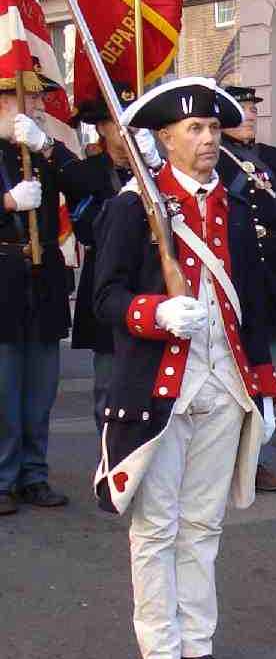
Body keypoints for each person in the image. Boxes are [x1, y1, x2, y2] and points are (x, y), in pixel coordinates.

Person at [92, 77, 276, 659]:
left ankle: (198, 644)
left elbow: (253, 304)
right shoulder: (133, 205)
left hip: (224, 383)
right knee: (156, 527)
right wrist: (156, 313)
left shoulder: (236, 204)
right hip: (160, 387)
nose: (207, 139)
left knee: (204, 524)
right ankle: (160, 653)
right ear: (165, 138)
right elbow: (105, 298)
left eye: (212, 128)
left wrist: (264, 385)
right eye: (193, 129)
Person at [0, 61, 79, 516]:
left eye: (38, 98)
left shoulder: (43, 149)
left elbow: (83, 183)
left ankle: (34, 472)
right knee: (5, 383)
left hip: (43, 274)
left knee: (41, 385)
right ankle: (4, 476)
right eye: (25, 97)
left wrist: (47, 145)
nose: (37, 106)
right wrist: (7, 201)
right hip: (4, 274)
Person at [64, 82, 163, 433]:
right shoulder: (83, 174)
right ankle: (111, 465)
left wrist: (154, 169)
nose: (129, 132)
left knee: (157, 387)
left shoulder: (160, 170)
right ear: (104, 128)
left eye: (136, 124)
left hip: (156, 285)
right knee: (109, 389)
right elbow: (91, 228)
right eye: (120, 124)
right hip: (109, 283)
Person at [218, 84, 276, 492]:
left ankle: (255, 453)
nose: (249, 115)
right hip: (240, 282)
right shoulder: (219, 162)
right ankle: (233, 454)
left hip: (274, 285)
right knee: (237, 373)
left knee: (268, 374)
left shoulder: (272, 159)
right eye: (241, 109)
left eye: (252, 109)